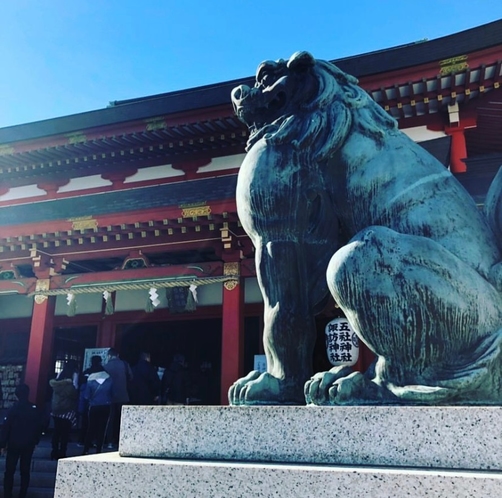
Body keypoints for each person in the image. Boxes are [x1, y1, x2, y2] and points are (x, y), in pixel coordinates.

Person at [0, 384, 44, 498]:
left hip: (13, 443)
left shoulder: (13, 409)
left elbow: (6, 427)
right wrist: (36, 441)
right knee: (25, 471)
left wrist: (3, 444)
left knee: (9, 471)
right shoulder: (34, 409)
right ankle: (22, 494)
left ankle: (7, 494)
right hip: (28, 443)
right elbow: (39, 427)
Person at [104, 348, 133, 448]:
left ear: (109, 356)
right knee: (122, 419)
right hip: (123, 395)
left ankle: (109, 441)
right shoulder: (125, 364)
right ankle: (121, 440)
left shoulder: (105, 366)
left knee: (110, 419)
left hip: (109, 396)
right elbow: (131, 377)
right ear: (118, 355)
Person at [49, 362, 78, 459]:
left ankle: (54, 451)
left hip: (56, 410)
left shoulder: (55, 385)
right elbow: (74, 395)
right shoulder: (69, 387)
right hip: (67, 410)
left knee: (56, 432)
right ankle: (62, 452)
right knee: (65, 433)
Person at [82, 369, 113, 455]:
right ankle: (99, 449)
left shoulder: (90, 381)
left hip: (94, 406)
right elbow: (113, 393)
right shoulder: (109, 380)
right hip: (106, 406)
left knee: (91, 428)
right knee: (102, 429)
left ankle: (86, 449)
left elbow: (86, 396)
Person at [77, 355, 105, 446]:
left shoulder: (87, 372)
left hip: (86, 400)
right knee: (98, 423)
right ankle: (95, 440)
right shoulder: (103, 373)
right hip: (100, 401)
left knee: (85, 421)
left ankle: (82, 440)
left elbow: (80, 384)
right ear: (100, 362)